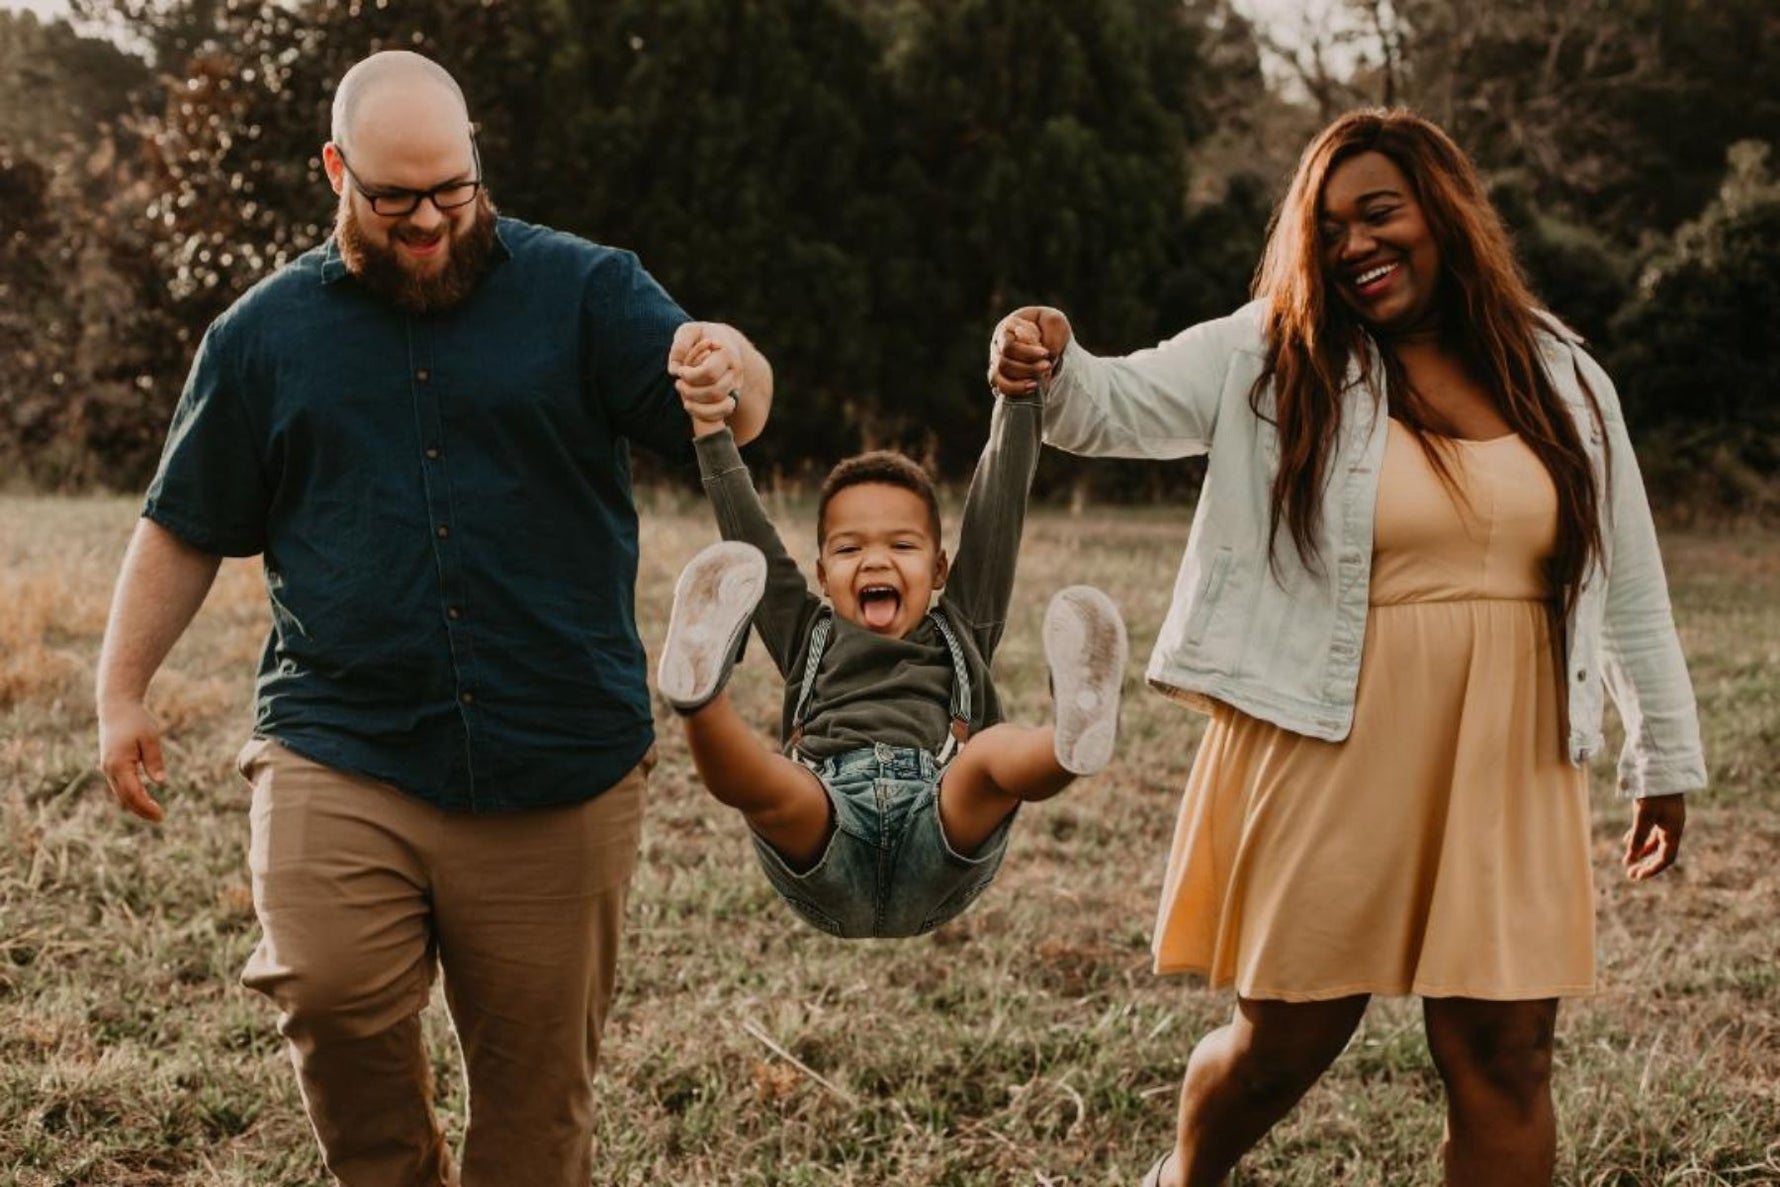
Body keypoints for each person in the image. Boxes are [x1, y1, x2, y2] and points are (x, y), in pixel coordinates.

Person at [988, 108, 1705, 1187]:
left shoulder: (1559, 373)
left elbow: (1632, 580)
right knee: (1282, 1044)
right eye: (1328, 230)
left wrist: (1663, 756)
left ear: (1444, 214)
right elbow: (1104, 404)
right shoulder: (1273, 353)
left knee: (1506, 1055)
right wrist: (1044, 347)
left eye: (1380, 214)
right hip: (1330, 735)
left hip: (1507, 753)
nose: (1354, 246)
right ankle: (1182, 1178)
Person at [93, 50, 771, 1187]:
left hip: (558, 752)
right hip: (342, 737)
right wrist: (121, 690)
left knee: (535, 1103)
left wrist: (731, 363)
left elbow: (731, 405)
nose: (427, 221)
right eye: (393, 196)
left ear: (474, 161)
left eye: (450, 189)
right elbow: (184, 522)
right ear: (334, 172)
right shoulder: (262, 336)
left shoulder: (585, 289)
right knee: (325, 986)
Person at [653, 331, 1128, 939]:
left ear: (938, 570)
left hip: (940, 823)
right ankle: (699, 696)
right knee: (775, 788)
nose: (875, 561)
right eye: (849, 549)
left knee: (988, 757)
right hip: (826, 830)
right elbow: (748, 531)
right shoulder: (806, 632)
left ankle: (1070, 740)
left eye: (901, 546)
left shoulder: (961, 623)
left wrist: (1019, 398)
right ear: (822, 575)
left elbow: (997, 505)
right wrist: (710, 430)